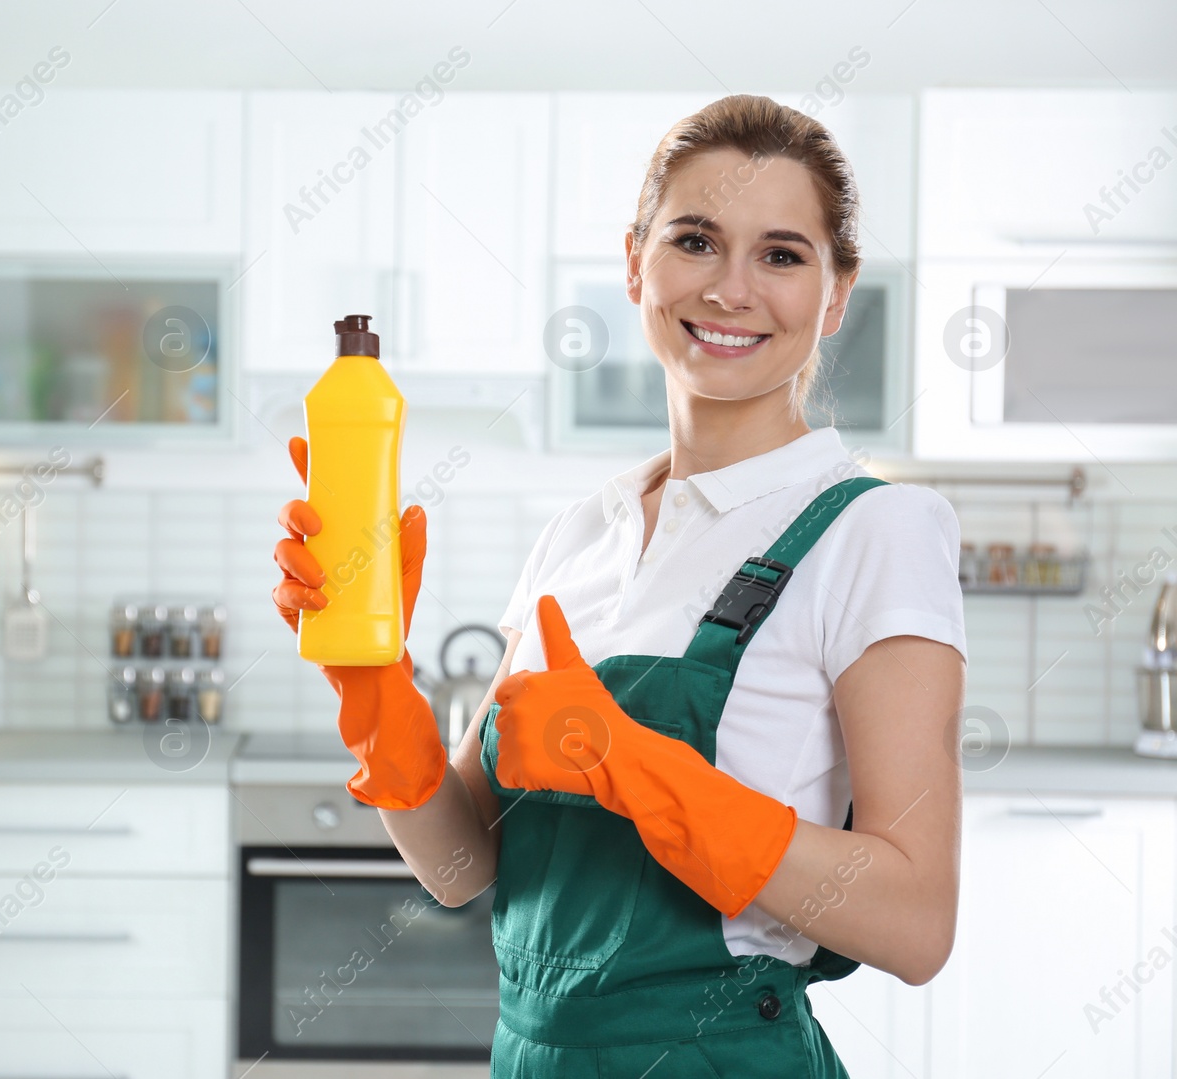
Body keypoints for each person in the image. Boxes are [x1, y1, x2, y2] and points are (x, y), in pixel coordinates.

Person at [272, 93, 967, 1078]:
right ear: (635, 260)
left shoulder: (876, 530)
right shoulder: (577, 534)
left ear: (835, 293)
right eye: (695, 239)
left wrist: (640, 771)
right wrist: (375, 687)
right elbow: (463, 864)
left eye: (780, 253)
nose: (730, 288)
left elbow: (914, 920)